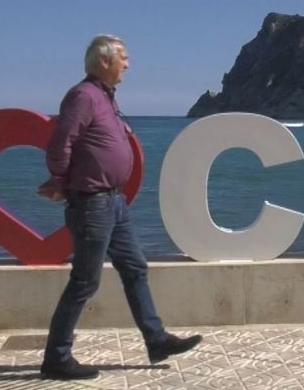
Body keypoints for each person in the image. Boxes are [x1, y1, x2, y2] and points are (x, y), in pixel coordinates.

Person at [39, 35, 201, 380]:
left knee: (135, 268)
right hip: (92, 203)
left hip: (114, 202)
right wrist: (60, 180)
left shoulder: (105, 97)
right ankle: (56, 358)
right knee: (85, 281)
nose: (128, 64)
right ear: (104, 61)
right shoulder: (84, 96)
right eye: (123, 57)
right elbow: (60, 143)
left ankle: (157, 340)